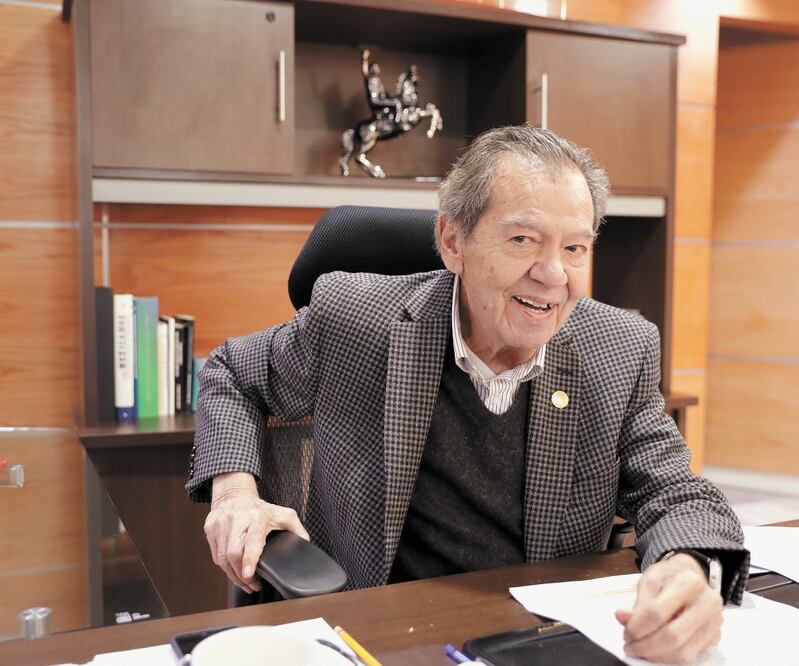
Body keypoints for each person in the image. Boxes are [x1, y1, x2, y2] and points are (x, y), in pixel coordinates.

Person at [188, 125, 748, 664]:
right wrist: (237, 494)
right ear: (453, 241)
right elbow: (231, 372)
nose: (553, 274)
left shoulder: (619, 348)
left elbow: (678, 494)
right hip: (376, 633)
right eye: (523, 240)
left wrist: (692, 568)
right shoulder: (356, 318)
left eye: (575, 248)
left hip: (536, 641)